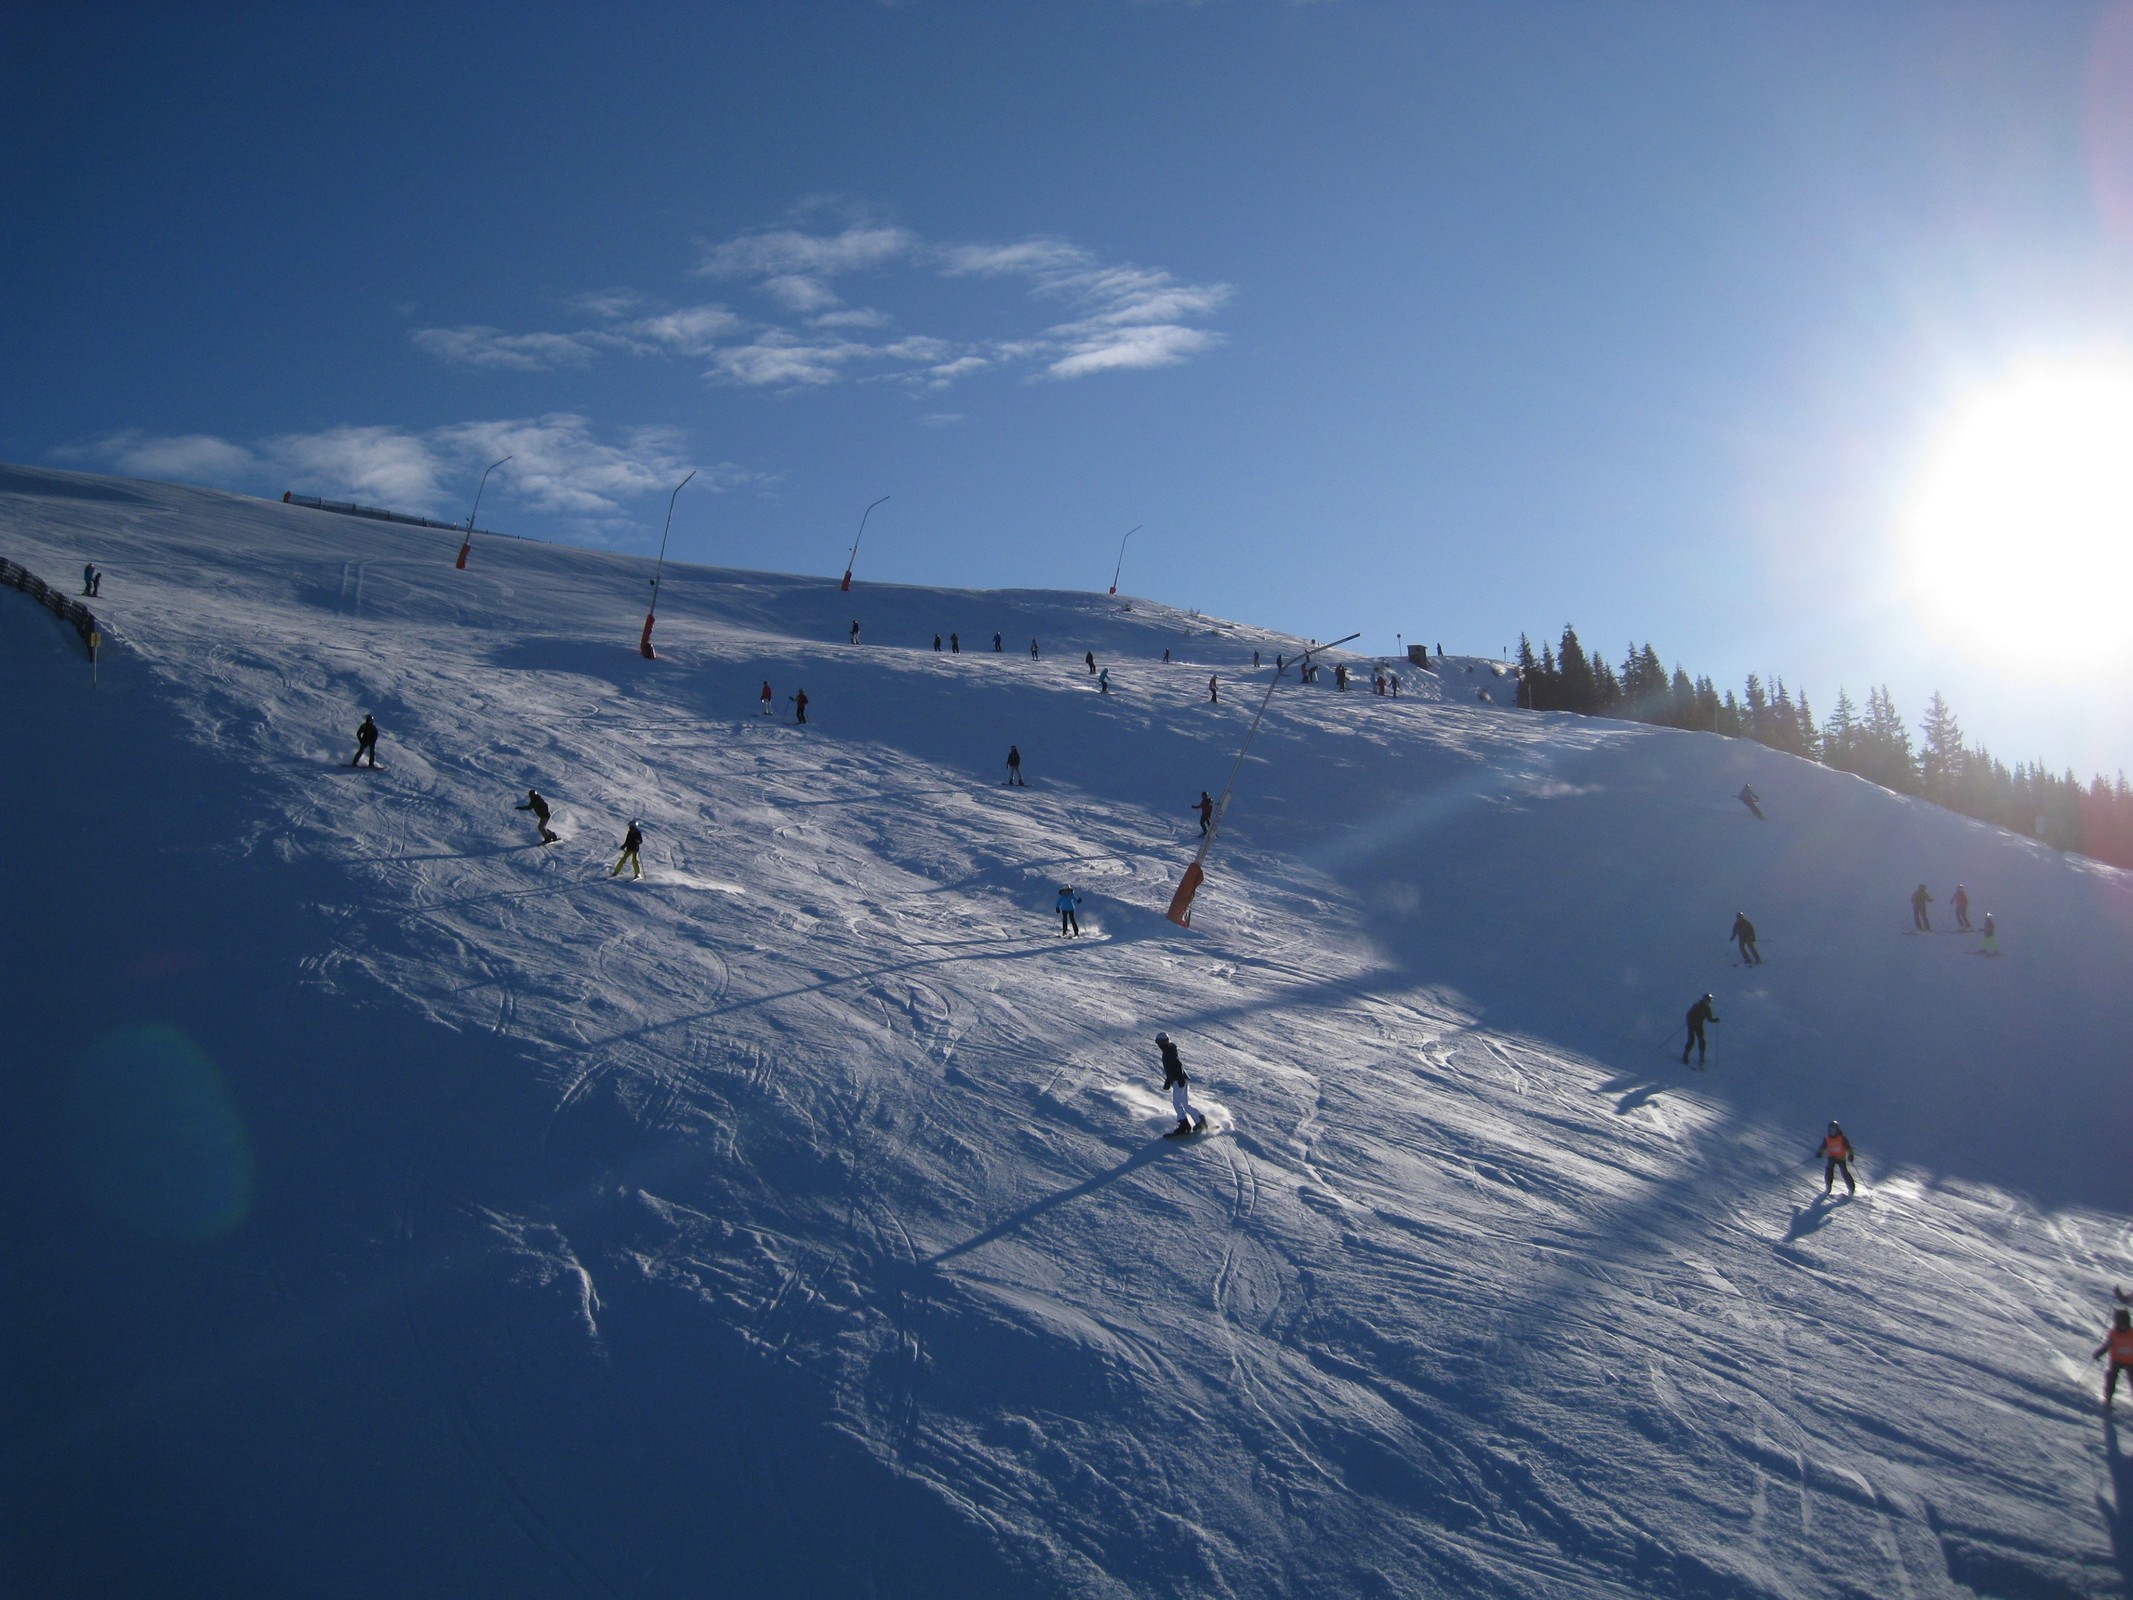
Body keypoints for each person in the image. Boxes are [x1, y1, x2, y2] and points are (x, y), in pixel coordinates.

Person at [1156, 1032, 1207, 1137]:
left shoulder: (1169, 1051)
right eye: (1158, 1042)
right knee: (1185, 1104)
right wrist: (1168, 1080)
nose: (1159, 1045)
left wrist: (1178, 1078)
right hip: (1180, 1078)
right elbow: (1171, 1068)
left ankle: (1184, 1125)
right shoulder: (1168, 1050)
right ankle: (1200, 1121)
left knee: (1177, 1103)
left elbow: (1177, 1064)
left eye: (1160, 1042)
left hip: (1179, 1079)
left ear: (1165, 1042)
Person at [2096, 1307, 2133, 1408]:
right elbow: (2107, 1346)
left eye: (2125, 1324)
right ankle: (2107, 1398)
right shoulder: (2113, 1334)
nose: (2123, 1327)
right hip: (2116, 1360)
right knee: (2111, 1377)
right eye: (2120, 1324)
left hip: (2130, 1361)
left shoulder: (2132, 1333)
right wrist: (2099, 1353)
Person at [1814, 1121, 1858, 1196]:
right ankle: (1828, 1186)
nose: (1832, 1132)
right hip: (1831, 1157)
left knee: (1844, 1171)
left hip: (1840, 1158)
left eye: (1834, 1130)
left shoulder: (1842, 1139)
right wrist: (1819, 1152)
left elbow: (1848, 1148)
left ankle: (1851, 1188)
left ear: (1837, 1130)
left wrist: (1850, 1155)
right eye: (1830, 1130)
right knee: (1829, 1168)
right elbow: (1822, 1146)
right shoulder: (1827, 1139)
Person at [1682, 992, 1719, 1067]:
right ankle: (1685, 1056)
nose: (1709, 1002)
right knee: (1691, 1041)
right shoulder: (1697, 1006)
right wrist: (1692, 1022)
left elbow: (1709, 1019)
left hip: (1699, 1026)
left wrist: (1715, 1020)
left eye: (1710, 1001)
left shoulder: (1707, 1009)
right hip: (1692, 1025)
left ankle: (1701, 1058)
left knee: (1701, 1041)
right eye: (1708, 1000)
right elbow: (1689, 1015)